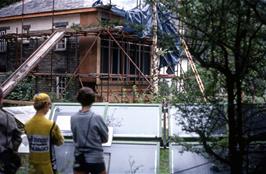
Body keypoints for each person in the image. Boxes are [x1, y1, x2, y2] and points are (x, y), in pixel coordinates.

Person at [71, 87, 108, 174]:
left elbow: (75, 137)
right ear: (93, 100)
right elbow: (105, 138)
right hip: (96, 159)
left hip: (79, 158)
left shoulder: (73, 118)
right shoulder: (97, 117)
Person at [24, 93, 64, 174]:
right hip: (47, 167)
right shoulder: (51, 125)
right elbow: (60, 142)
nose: (49, 107)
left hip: (32, 167)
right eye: (49, 104)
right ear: (46, 104)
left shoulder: (27, 124)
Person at [0, 88, 22, 174]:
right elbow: (17, 138)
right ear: (1, 99)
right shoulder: (8, 118)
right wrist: (11, 150)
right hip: (4, 163)